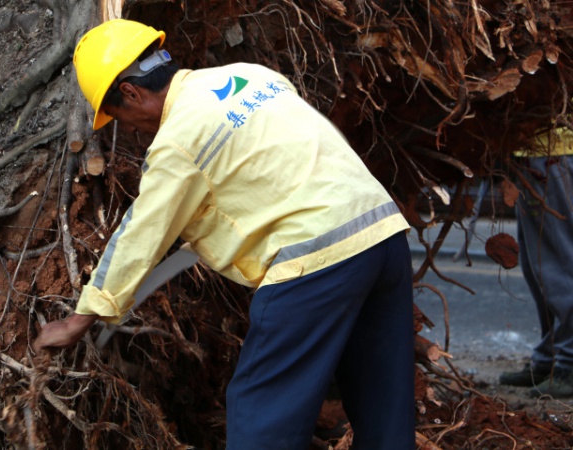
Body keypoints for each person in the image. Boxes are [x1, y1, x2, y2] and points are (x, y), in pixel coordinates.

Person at [33, 19, 415, 449]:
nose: (134, 129)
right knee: (384, 406)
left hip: (316, 260)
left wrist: (81, 318)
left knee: (260, 416)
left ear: (131, 92)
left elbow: (141, 234)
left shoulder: (179, 140)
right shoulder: (251, 76)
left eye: (121, 118)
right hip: (384, 237)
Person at [499, 127, 573, 398]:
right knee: (538, 269)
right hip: (537, 152)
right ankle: (551, 357)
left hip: (555, 152)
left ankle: (568, 363)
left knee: (558, 267)